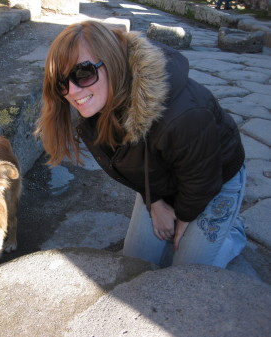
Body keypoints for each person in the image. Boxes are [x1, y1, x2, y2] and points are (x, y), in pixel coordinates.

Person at [35, 21, 246, 268]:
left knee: (186, 271)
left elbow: (203, 180)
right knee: (135, 264)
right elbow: (132, 166)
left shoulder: (183, 114)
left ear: (113, 61)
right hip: (161, 178)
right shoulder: (95, 105)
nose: (72, 91)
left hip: (214, 179)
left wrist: (185, 218)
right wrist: (154, 202)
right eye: (61, 82)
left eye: (83, 73)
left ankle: (233, 233)